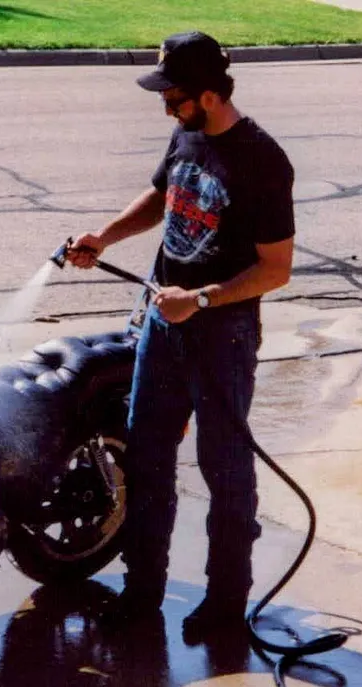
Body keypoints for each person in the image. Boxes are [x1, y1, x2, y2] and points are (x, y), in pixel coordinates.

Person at [68, 31, 295, 645]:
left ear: (209, 95)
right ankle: (142, 593)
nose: (165, 106)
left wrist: (200, 300)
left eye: (173, 96)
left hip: (222, 335)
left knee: (224, 469)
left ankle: (225, 605)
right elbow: (164, 195)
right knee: (145, 457)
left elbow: (276, 269)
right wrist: (104, 236)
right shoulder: (187, 134)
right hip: (162, 328)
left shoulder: (262, 160)